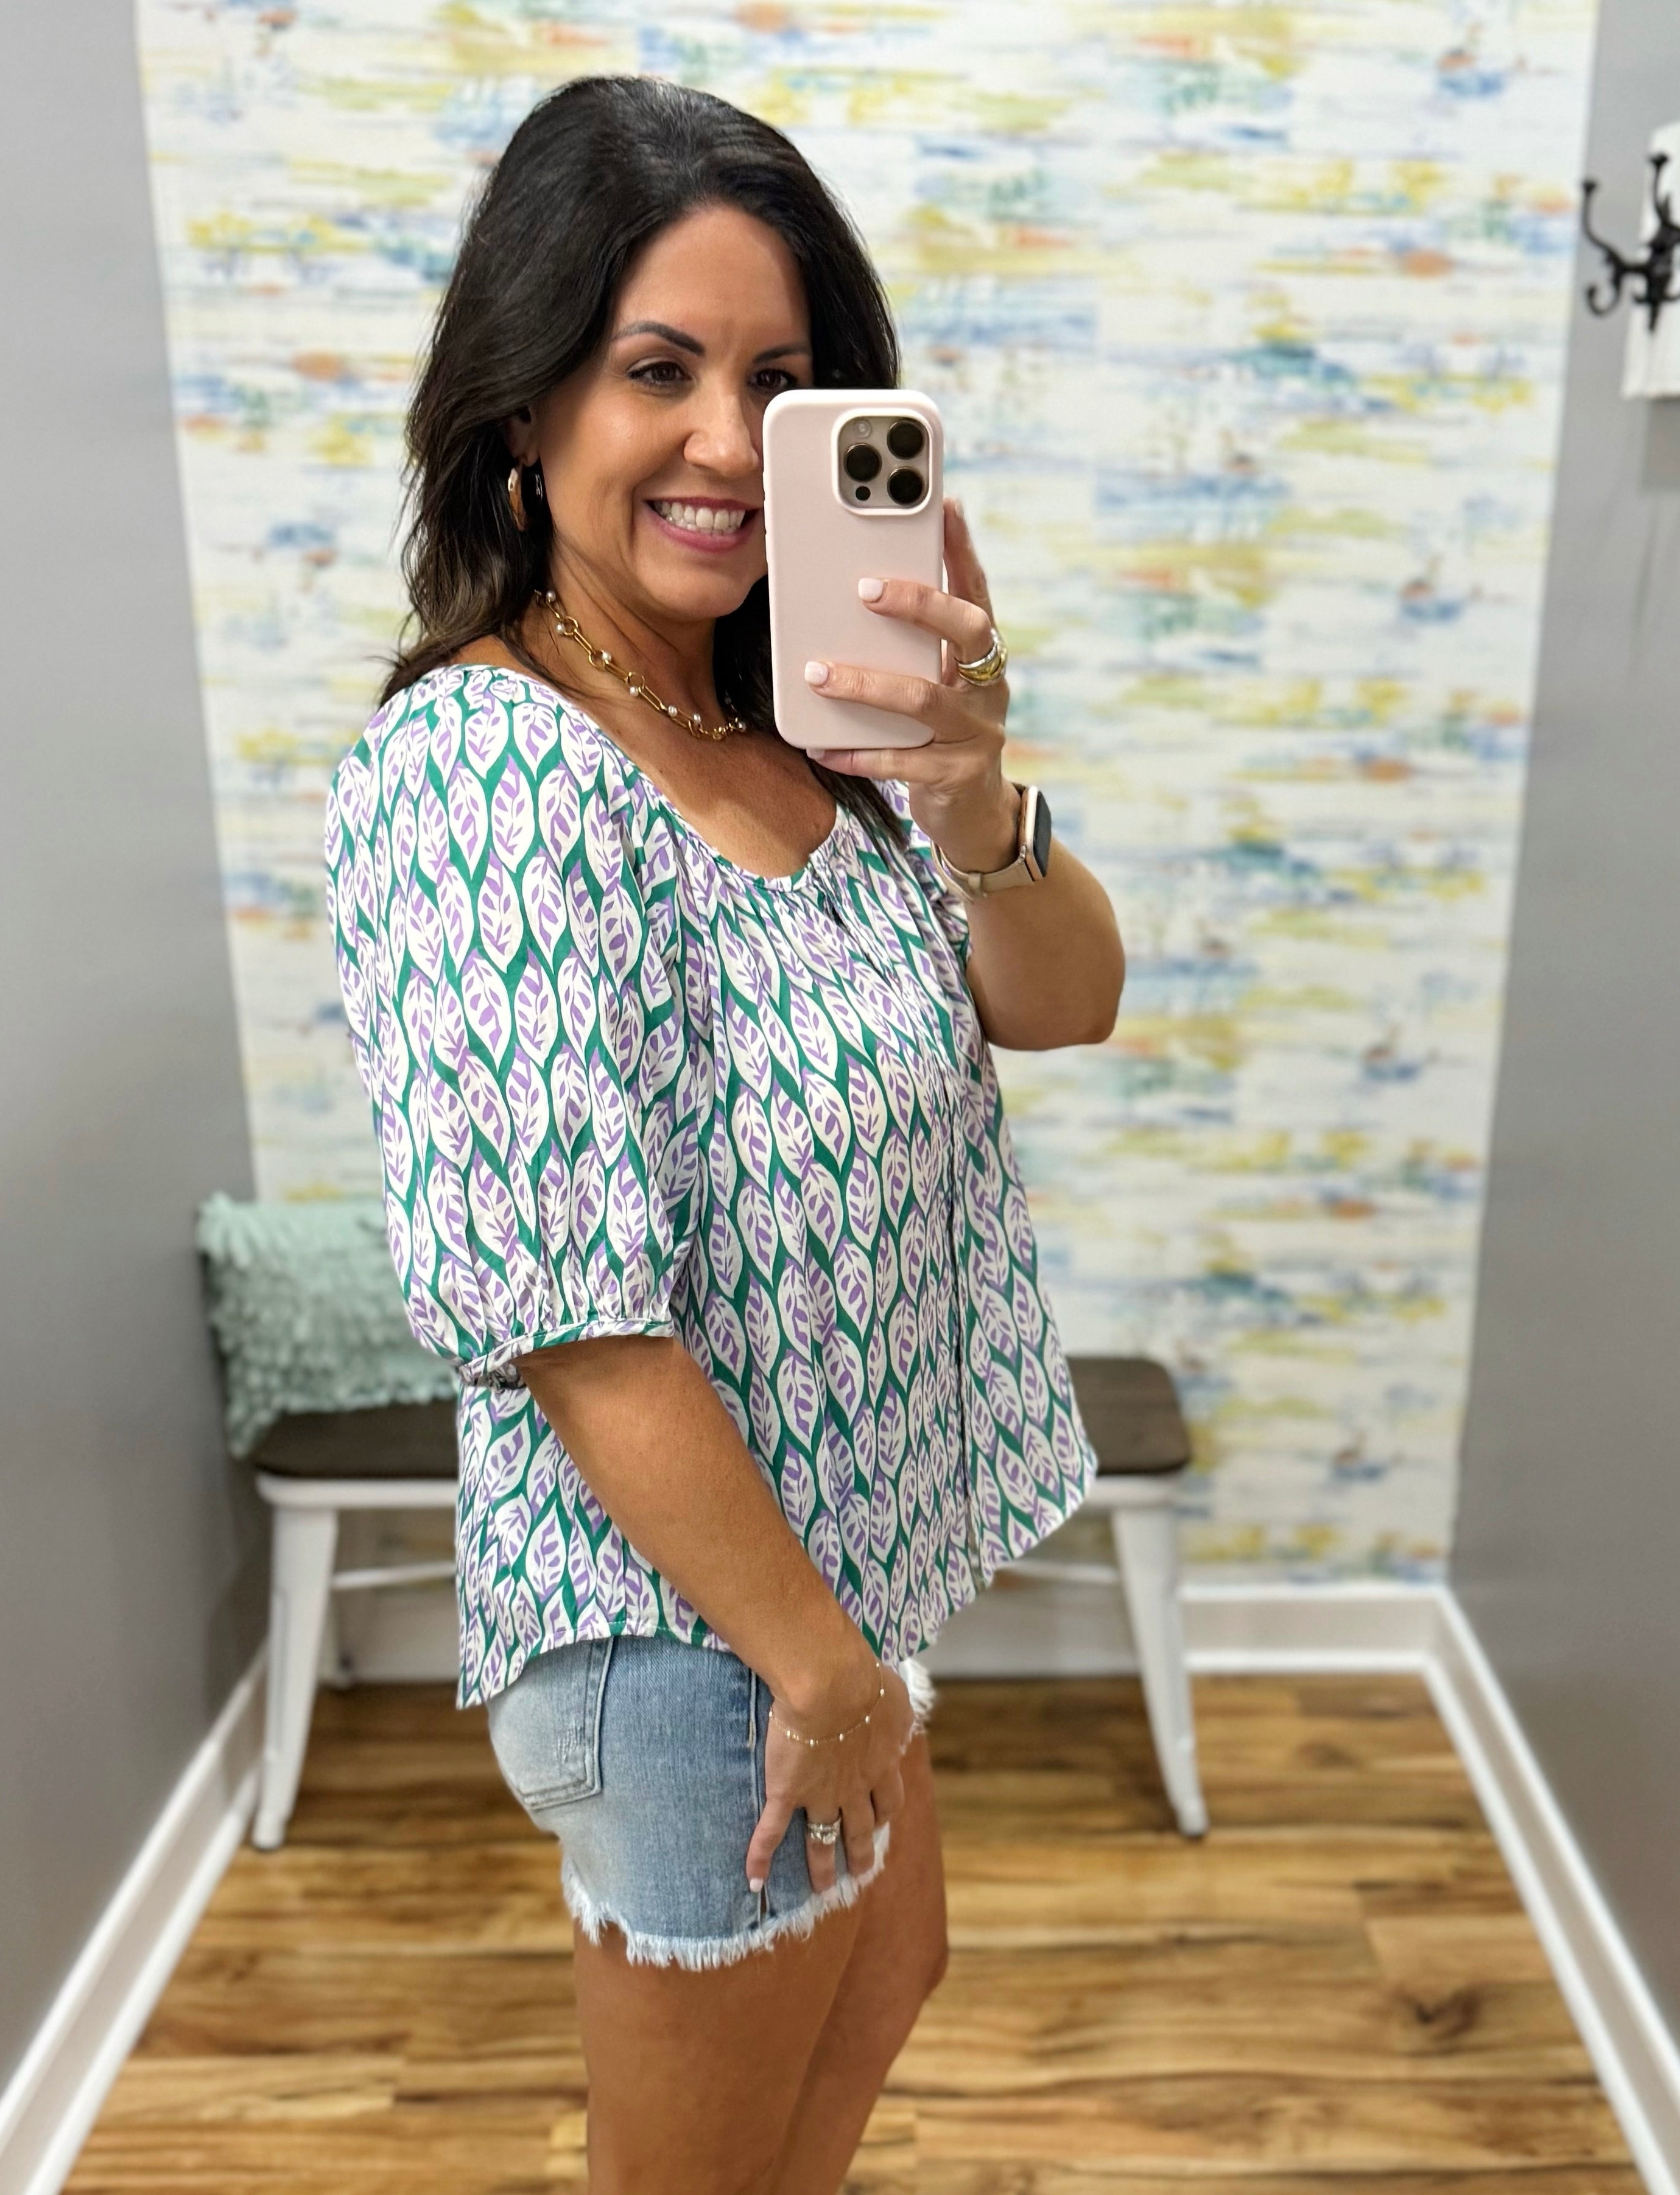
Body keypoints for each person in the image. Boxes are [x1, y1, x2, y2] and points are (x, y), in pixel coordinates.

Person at [324, 73, 1125, 2195]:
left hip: (830, 1582)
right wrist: (816, 1671)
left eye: (777, 384)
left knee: (881, 1988)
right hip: (693, 1635)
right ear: (524, 406)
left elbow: (1064, 1000)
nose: (720, 441)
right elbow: (575, 1321)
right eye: (654, 369)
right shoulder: (485, 776)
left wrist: (970, 787)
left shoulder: (804, 726)